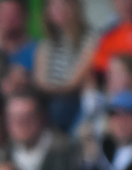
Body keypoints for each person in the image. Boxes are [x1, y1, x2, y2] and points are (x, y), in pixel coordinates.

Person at [33, 0, 98, 132]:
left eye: (64, 3)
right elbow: (40, 80)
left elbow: (73, 82)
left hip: (73, 101)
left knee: (59, 106)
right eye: (53, 5)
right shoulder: (46, 43)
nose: (59, 9)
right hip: (49, 99)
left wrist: (51, 88)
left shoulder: (89, 38)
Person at [5, 91, 78, 170]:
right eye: (14, 117)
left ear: (41, 117)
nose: (20, 123)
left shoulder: (61, 150)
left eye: (26, 117)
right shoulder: (4, 152)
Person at [0, 0, 37, 80]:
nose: (7, 19)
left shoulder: (35, 50)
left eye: (12, 14)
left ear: (24, 16)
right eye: (3, 13)